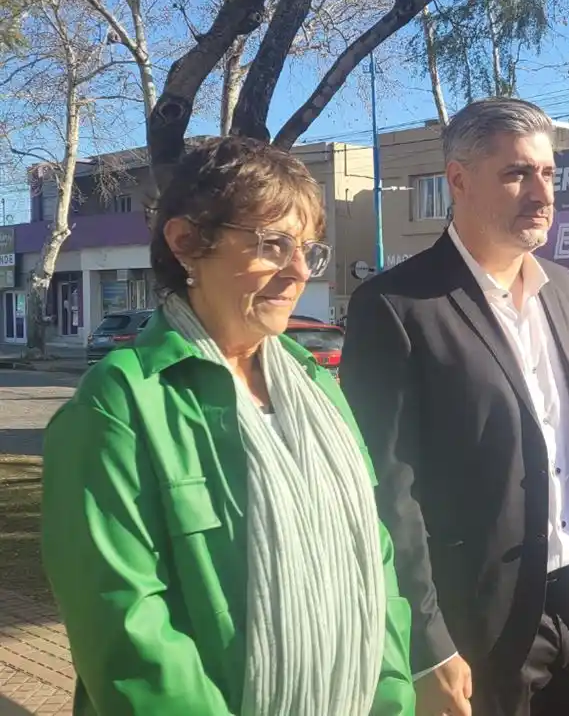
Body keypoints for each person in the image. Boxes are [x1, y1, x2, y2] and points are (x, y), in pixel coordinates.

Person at [41, 137, 415, 716]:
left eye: (308, 250)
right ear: (187, 242)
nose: (297, 271)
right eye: (272, 245)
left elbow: (376, 557)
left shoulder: (317, 389)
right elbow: (127, 629)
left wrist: (393, 694)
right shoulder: (120, 403)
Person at [339, 98, 569, 716]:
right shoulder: (396, 307)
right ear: (458, 179)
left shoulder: (563, 288)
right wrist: (427, 645)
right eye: (517, 173)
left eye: (548, 173)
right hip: (478, 622)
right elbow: (386, 493)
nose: (541, 192)